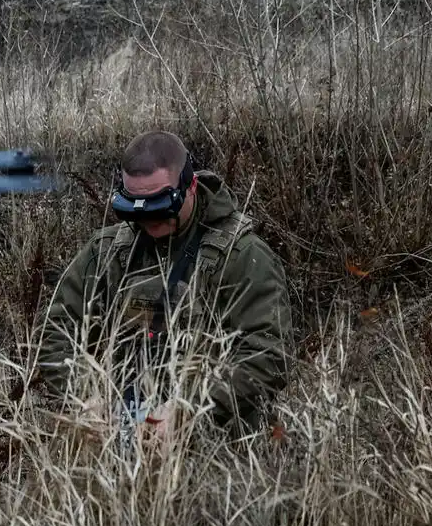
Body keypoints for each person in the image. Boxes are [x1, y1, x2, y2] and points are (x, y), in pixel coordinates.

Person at [33, 130, 294, 435]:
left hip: (217, 446)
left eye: (160, 204)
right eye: (136, 205)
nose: (150, 219)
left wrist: (192, 409)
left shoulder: (241, 255)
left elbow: (269, 354)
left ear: (191, 185)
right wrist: (83, 395)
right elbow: (55, 330)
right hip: (114, 436)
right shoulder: (106, 251)